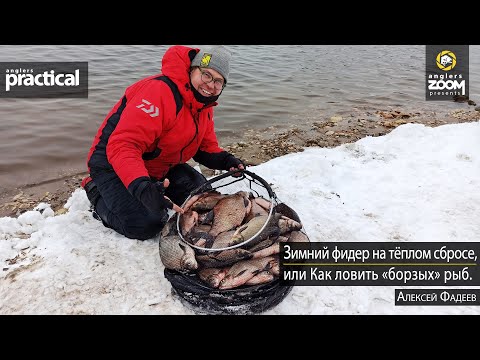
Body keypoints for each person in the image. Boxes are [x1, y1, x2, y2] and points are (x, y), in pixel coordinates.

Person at [81, 45, 245, 240]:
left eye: (219, 81)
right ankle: (95, 190)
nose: (211, 85)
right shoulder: (158, 91)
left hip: (160, 166)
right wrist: (142, 187)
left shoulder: (203, 106)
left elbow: (203, 148)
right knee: (147, 224)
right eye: (207, 75)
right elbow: (124, 146)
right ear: (192, 69)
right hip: (112, 165)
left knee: (202, 199)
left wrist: (227, 161)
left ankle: (149, 185)